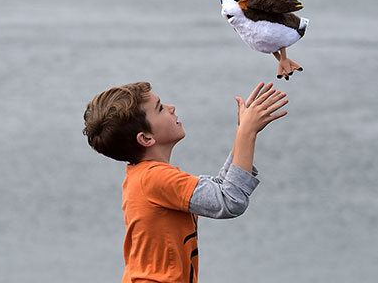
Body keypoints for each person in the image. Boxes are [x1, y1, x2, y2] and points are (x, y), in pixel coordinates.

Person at [83, 81, 288, 283]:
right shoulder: (154, 179)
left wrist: (242, 130)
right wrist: (246, 133)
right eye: (160, 108)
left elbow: (220, 188)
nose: (171, 108)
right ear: (146, 138)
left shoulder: (147, 176)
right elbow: (230, 201)